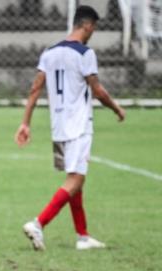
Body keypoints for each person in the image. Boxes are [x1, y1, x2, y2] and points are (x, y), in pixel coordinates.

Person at [17, 5, 125, 251]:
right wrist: (117, 109)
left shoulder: (49, 52)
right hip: (78, 126)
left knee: (75, 178)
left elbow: (35, 88)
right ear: (87, 25)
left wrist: (25, 122)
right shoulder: (85, 54)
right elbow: (98, 90)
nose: (93, 32)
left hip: (59, 127)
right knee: (76, 179)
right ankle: (38, 223)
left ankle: (83, 236)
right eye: (94, 28)